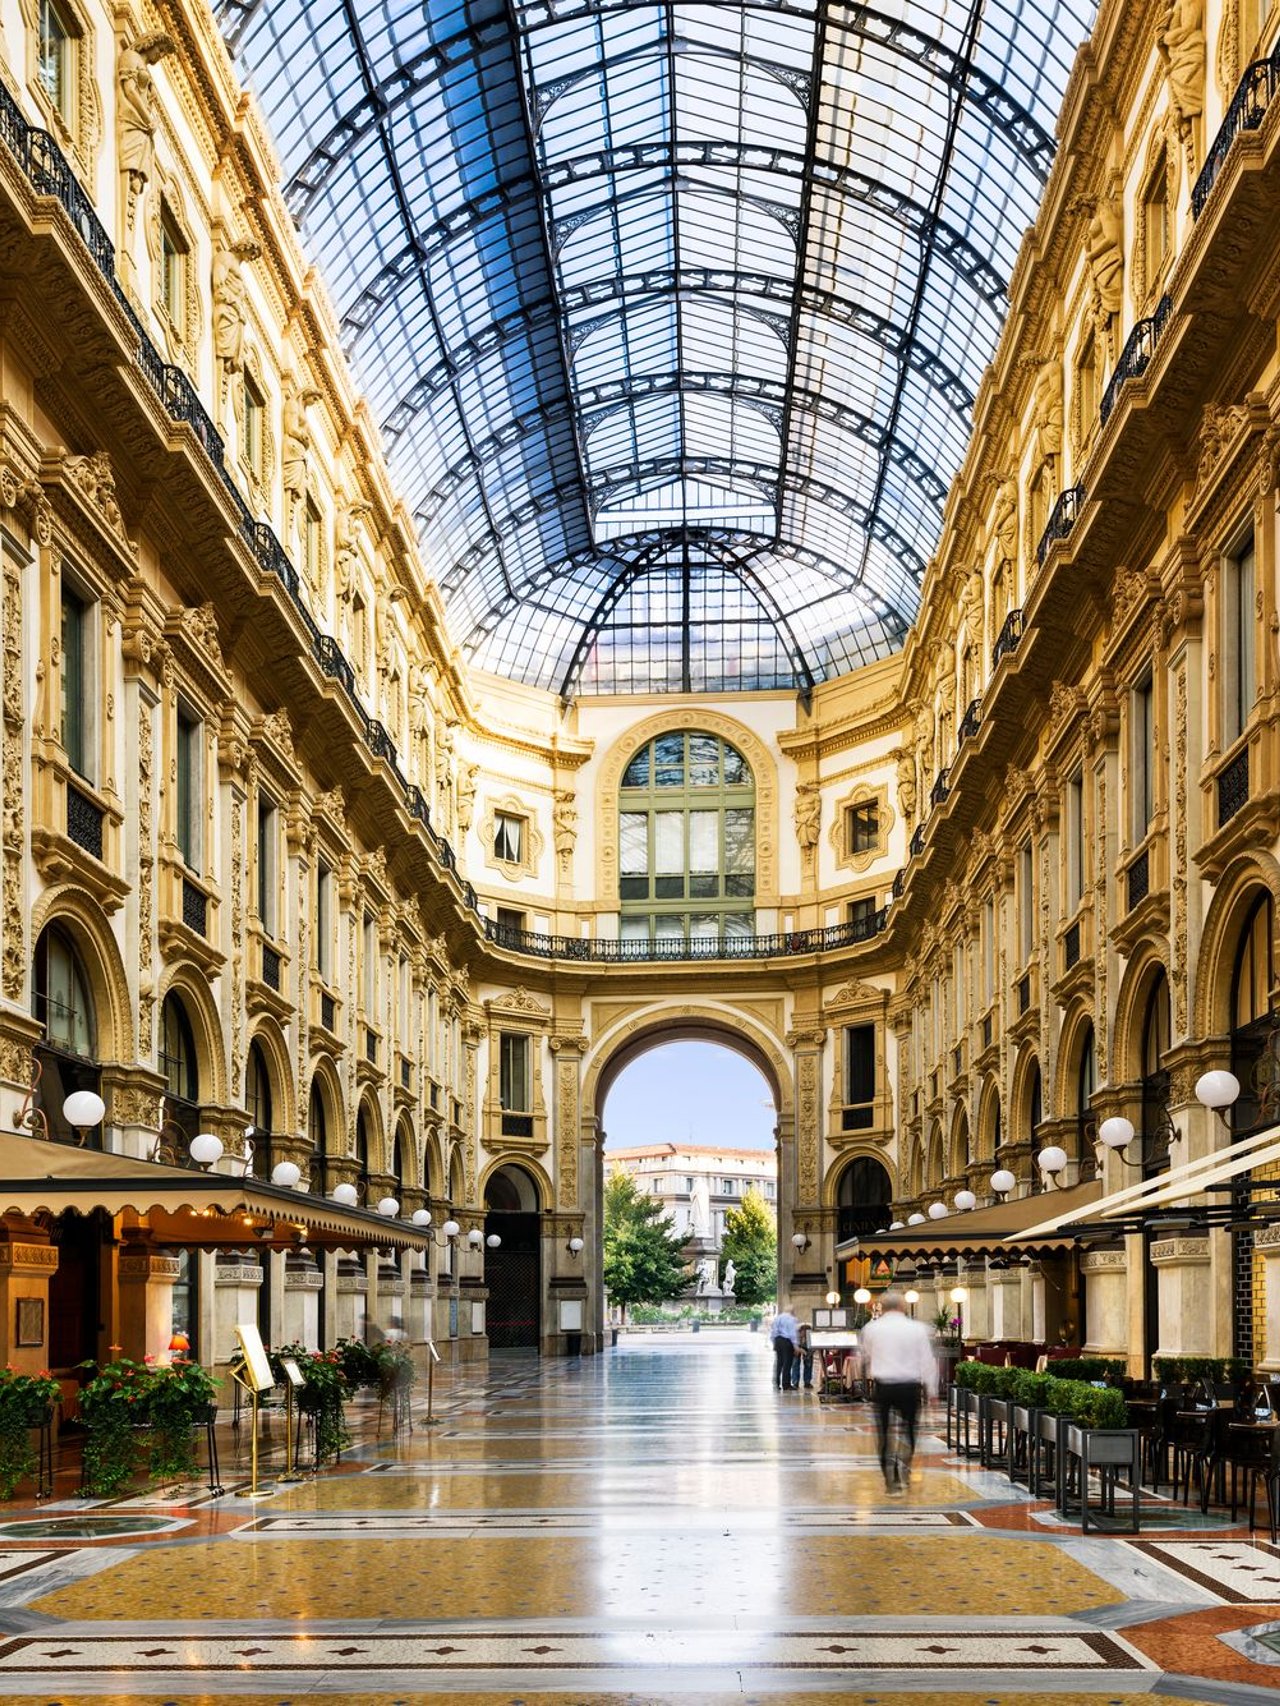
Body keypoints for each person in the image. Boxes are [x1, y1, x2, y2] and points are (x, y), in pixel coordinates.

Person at [859, 1291, 938, 1493]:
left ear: (882, 1308)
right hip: (910, 1387)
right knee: (909, 1430)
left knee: (884, 1433)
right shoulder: (917, 1329)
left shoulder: (871, 1329)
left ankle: (889, 1480)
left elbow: (865, 1355)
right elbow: (927, 1361)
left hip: (883, 1387)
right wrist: (932, 1390)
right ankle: (904, 1466)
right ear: (903, 1307)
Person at [770, 1306, 799, 1391]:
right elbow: (792, 1333)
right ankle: (786, 1384)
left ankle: (776, 1383)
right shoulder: (792, 1319)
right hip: (787, 1341)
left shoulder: (778, 1318)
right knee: (787, 1363)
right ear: (792, 1311)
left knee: (779, 1363)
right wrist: (796, 1346)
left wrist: (774, 1342)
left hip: (778, 1340)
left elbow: (773, 1331)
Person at [790, 1320, 814, 1390]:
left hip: (807, 1347)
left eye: (807, 1334)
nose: (805, 1335)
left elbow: (812, 1347)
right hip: (796, 1346)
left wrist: (808, 1354)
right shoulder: (795, 1334)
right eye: (804, 1333)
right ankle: (795, 1382)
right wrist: (799, 1350)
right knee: (795, 1363)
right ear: (800, 1331)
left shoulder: (811, 1335)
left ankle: (807, 1382)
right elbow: (794, 1345)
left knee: (808, 1363)